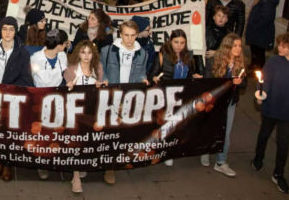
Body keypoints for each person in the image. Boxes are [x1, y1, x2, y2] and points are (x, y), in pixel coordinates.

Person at [252, 32, 289, 194]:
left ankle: (278, 173)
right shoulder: (272, 62)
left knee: (283, 144)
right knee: (264, 135)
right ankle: (258, 158)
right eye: (279, 45)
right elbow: (263, 81)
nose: (279, 48)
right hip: (270, 108)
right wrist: (260, 96)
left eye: (283, 46)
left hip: (288, 113)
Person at [99, 20, 149, 184]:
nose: (129, 39)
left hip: (129, 97)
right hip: (112, 97)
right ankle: (109, 168)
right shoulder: (107, 51)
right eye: (126, 35)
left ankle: (118, 160)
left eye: (133, 35)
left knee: (123, 132)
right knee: (110, 133)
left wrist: (144, 80)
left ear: (137, 35)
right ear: (121, 34)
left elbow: (141, 73)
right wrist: (104, 81)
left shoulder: (143, 53)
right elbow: (101, 71)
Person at [0, 16, 33, 181]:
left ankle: (8, 164)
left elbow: (27, 79)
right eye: (5, 29)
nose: (7, 32)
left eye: (11, 29)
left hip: (11, 99)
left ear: (15, 31)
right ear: (0, 30)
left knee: (9, 133)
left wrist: (10, 90)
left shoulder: (22, 53)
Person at [150, 29, 202, 166]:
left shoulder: (189, 57)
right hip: (166, 97)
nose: (179, 45)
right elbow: (152, 74)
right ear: (170, 42)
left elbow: (190, 74)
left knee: (178, 125)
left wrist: (194, 77)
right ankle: (166, 153)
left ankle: (172, 151)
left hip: (183, 96)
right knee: (167, 125)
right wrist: (153, 77)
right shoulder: (162, 56)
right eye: (176, 42)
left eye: (182, 42)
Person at [201, 33, 246, 176]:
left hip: (230, 103)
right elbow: (207, 82)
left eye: (240, 46)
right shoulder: (214, 61)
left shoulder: (240, 63)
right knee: (210, 128)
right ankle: (205, 151)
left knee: (226, 133)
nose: (238, 49)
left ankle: (221, 161)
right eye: (235, 46)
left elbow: (245, 82)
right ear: (227, 47)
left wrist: (239, 83)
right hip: (215, 102)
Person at [64, 40, 103, 193]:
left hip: (92, 110)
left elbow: (101, 90)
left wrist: (102, 86)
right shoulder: (71, 70)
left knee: (87, 141)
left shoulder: (98, 68)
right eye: (83, 52)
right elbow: (64, 92)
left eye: (89, 52)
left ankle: (80, 165)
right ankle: (75, 177)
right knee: (76, 141)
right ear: (78, 54)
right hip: (75, 111)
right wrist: (69, 88)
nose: (86, 56)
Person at [30, 29, 69, 180]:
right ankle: (42, 164)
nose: (66, 46)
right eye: (65, 43)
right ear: (59, 44)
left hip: (58, 100)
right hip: (41, 100)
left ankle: (56, 160)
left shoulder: (63, 56)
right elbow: (40, 79)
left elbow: (63, 75)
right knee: (42, 133)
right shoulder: (36, 58)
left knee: (57, 132)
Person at [246, 0, 280, 70]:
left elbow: (265, 18)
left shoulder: (267, 1)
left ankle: (260, 70)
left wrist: (254, 27)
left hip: (260, 32)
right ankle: (253, 66)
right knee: (254, 50)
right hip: (256, 31)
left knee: (259, 52)